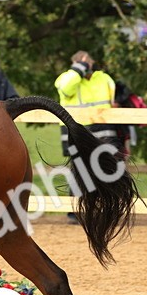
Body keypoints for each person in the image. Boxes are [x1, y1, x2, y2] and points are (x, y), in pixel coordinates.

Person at [54, 51, 119, 224]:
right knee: (79, 171)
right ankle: (75, 213)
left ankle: (105, 210)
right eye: (80, 64)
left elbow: (113, 101)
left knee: (105, 169)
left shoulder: (104, 79)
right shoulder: (66, 78)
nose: (85, 66)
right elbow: (66, 89)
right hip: (77, 129)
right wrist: (78, 70)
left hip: (103, 128)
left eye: (86, 63)